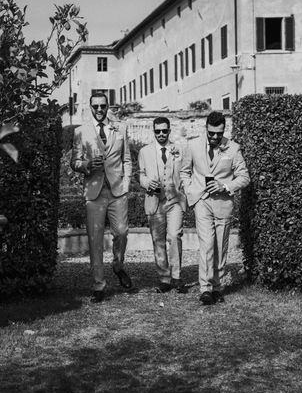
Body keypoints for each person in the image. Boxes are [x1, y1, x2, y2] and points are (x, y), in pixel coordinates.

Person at [181, 111, 249, 305]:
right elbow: (184, 171)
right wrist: (190, 191)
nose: (215, 137)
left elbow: (244, 177)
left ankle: (217, 286)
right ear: (206, 129)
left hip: (223, 203)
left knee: (221, 246)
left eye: (219, 133)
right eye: (211, 133)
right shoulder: (193, 145)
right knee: (207, 245)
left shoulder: (233, 149)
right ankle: (205, 289)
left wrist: (225, 186)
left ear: (223, 130)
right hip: (201, 201)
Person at [71, 92, 132, 303]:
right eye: (95, 106)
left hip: (117, 191)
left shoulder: (120, 128)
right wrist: (86, 166)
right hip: (94, 191)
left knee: (122, 232)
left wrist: (126, 184)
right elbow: (74, 161)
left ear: (108, 106)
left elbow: (127, 160)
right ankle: (98, 285)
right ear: (90, 107)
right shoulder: (80, 132)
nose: (99, 110)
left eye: (103, 106)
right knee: (95, 239)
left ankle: (118, 264)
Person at [138, 117, 187, 293]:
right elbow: (140, 174)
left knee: (174, 236)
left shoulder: (180, 149)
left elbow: (186, 171)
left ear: (169, 131)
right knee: (158, 240)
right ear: (153, 131)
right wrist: (146, 183)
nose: (161, 134)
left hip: (174, 200)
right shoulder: (144, 151)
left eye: (164, 131)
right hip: (154, 200)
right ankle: (164, 278)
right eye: (157, 131)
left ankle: (176, 276)